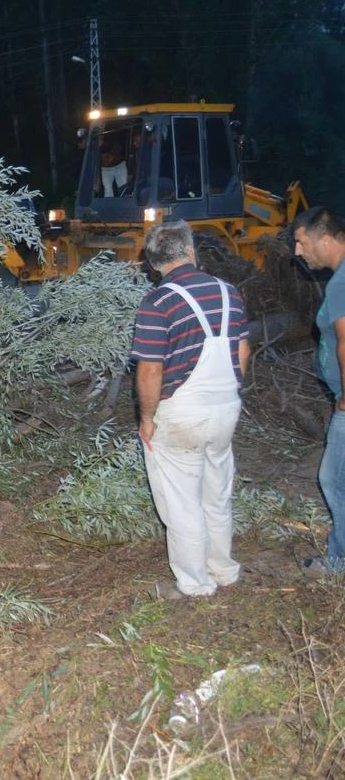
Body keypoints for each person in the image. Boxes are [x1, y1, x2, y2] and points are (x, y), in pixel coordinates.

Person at [131, 220, 251, 598]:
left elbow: (150, 369)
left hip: (181, 411)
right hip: (226, 405)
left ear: (153, 265)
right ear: (191, 251)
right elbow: (243, 351)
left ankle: (196, 584)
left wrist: (147, 419)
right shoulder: (229, 291)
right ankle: (224, 569)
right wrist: (232, 391)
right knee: (217, 493)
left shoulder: (158, 301)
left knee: (182, 500)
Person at [292, 206, 345, 574]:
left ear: (324, 239)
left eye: (301, 242)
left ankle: (338, 561)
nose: (298, 251)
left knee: (332, 477)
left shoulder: (341, 283)